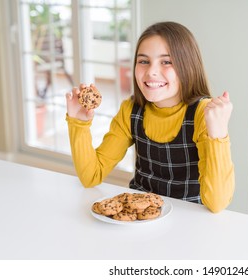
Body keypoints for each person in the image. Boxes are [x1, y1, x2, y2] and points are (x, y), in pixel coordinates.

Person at [65, 21, 234, 213]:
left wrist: (218, 134)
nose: (151, 71)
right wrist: (79, 123)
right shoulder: (131, 109)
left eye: (166, 61)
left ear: (188, 65)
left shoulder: (202, 114)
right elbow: (90, 176)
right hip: (139, 219)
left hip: (190, 221)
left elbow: (217, 203)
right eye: (143, 61)